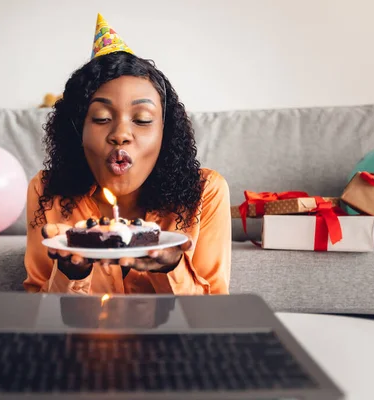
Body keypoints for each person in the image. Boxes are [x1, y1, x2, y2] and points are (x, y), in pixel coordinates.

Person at [23, 14, 231, 295]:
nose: (120, 134)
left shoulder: (206, 192)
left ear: (164, 132)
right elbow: (38, 309)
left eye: (143, 119)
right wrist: (71, 273)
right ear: (77, 131)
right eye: (100, 118)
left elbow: (213, 314)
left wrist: (169, 268)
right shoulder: (46, 190)